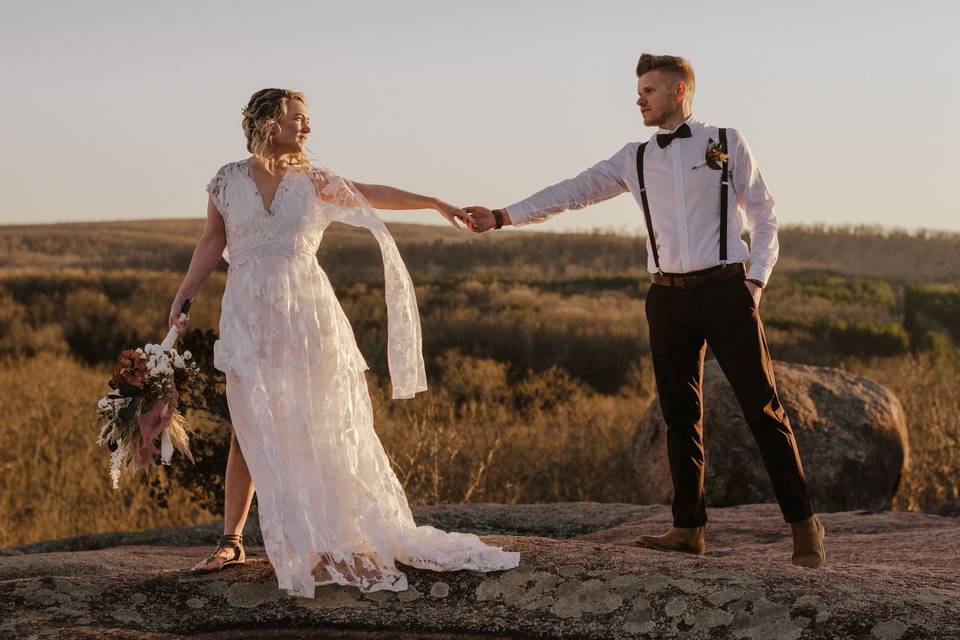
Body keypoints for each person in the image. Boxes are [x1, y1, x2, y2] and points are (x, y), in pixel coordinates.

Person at [465, 54, 825, 568]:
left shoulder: (725, 140)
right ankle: (687, 528)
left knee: (761, 408)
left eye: (649, 90)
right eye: (639, 90)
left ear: (679, 91)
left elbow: (766, 214)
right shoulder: (633, 157)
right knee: (680, 416)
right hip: (667, 298)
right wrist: (502, 216)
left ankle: (805, 527)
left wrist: (756, 280)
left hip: (728, 290)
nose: (639, 99)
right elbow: (571, 192)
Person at [170, 88, 519, 597]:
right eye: (298, 118)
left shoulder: (315, 182)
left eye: (306, 119)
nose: (307, 127)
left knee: (323, 421)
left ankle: (335, 533)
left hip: (309, 319)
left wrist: (433, 201)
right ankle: (231, 540)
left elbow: (372, 192)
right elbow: (210, 241)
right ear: (269, 122)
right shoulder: (226, 180)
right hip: (249, 316)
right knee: (248, 423)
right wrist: (183, 295)